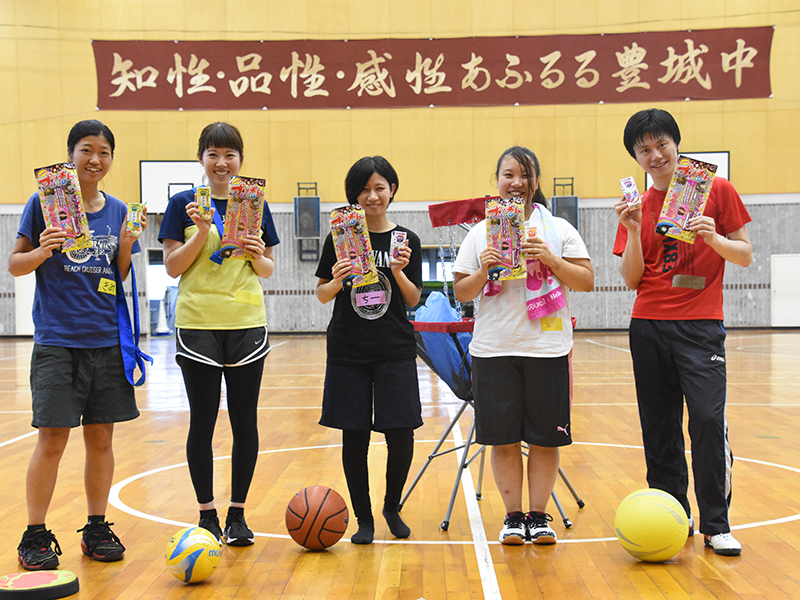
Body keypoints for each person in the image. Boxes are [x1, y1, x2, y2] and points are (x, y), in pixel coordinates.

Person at [614, 109, 753, 556]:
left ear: (676, 144)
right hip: (648, 325)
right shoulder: (637, 206)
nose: (655, 155)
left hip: (701, 325)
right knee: (659, 427)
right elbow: (631, 279)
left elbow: (745, 254)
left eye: (662, 145)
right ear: (636, 157)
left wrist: (714, 239)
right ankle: (673, 518)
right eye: (644, 150)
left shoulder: (717, 190)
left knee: (708, 421)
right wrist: (633, 229)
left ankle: (717, 523)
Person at [10, 120, 145, 569]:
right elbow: (15, 265)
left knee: (101, 439)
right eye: (86, 149)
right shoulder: (43, 203)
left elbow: (118, 275)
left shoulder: (119, 209)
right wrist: (42, 250)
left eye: (104, 151)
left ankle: (96, 527)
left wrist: (125, 245)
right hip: (58, 341)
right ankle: (34, 534)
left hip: (106, 341)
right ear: (71, 155)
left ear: (111, 159)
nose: (95, 159)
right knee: (51, 440)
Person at [452, 146, 593, 545]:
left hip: (547, 348)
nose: (517, 183)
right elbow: (462, 291)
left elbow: (585, 281)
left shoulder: (559, 229)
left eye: (525, 175)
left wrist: (551, 259)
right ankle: (513, 517)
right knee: (503, 439)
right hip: (494, 349)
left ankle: (539, 516)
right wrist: (484, 269)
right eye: (509, 175)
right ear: (496, 181)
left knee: (546, 439)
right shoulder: (480, 233)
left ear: (536, 182)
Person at [158, 122, 279, 546]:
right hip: (198, 323)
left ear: (241, 160)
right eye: (213, 154)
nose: (222, 162)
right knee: (203, 421)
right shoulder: (183, 204)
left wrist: (257, 254)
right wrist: (202, 232)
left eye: (230, 155)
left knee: (245, 421)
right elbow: (172, 267)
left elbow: (268, 269)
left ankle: (238, 515)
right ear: (201, 159)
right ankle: (207, 513)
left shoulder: (254, 203)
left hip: (246, 322)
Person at [315, 156, 423, 545]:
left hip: (394, 347)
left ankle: (392, 506)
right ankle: (364, 519)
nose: (372, 196)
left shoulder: (406, 240)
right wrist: (337, 279)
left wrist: (397, 271)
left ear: (392, 189)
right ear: (354, 195)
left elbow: (413, 299)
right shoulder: (340, 239)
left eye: (379, 188)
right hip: (349, 348)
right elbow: (322, 293)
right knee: (354, 434)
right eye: (364, 189)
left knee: (401, 432)